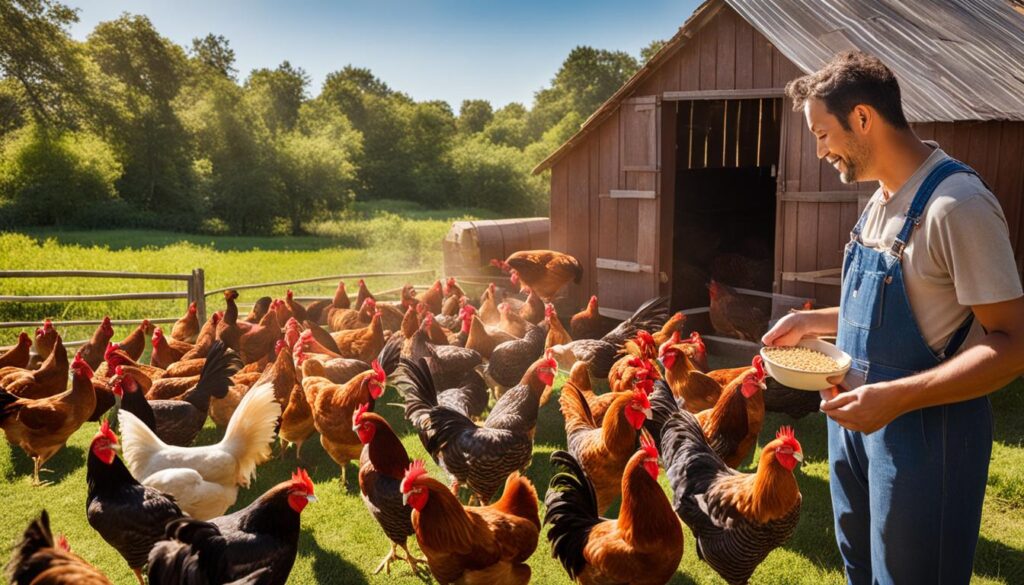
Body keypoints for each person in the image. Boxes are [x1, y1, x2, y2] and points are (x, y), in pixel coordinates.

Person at [763, 51, 1024, 584]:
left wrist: (898, 396)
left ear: (863, 118)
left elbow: (1015, 341)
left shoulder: (957, 205)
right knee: (863, 570)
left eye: (823, 134)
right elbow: (908, 301)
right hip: (857, 428)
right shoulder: (880, 200)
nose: (819, 152)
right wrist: (814, 325)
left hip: (926, 439)